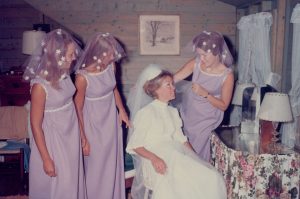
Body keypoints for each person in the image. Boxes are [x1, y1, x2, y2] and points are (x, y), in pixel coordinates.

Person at [126, 64, 227, 199]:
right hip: (155, 159)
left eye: (172, 84)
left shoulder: (173, 111)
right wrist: (155, 159)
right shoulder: (146, 113)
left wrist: (197, 159)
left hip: (175, 155)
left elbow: (182, 140)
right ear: (156, 89)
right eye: (168, 85)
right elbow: (136, 145)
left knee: (211, 176)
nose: (174, 88)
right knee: (177, 184)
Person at [23, 29, 86, 199]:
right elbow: (35, 125)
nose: (74, 57)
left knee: (72, 180)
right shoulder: (39, 87)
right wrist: (46, 159)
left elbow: (72, 105)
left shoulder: (65, 75)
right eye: (71, 54)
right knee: (62, 184)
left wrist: (81, 134)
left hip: (69, 133)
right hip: (53, 139)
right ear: (56, 56)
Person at [74, 32, 129, 199]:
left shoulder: (111, 66)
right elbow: (78, 109)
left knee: (112, 162)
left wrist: (122, 111)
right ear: (99, 53)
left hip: (110, 120)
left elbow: (114, 89)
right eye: (111, 53)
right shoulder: (82, 77)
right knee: (97, 165)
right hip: (93, 124)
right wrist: (83, 137)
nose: (114, 56)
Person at [174, 30, 234, 161]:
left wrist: (205, 94)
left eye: (204, 55)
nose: (201, 58)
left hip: (206, 119)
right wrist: (150, 83)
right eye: (199, 54)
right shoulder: (195, 64)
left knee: (196, 155)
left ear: (217, 52)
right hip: (188, 114)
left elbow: (223, 106)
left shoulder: (227, 76)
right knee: (182, 150)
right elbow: (174, 78)